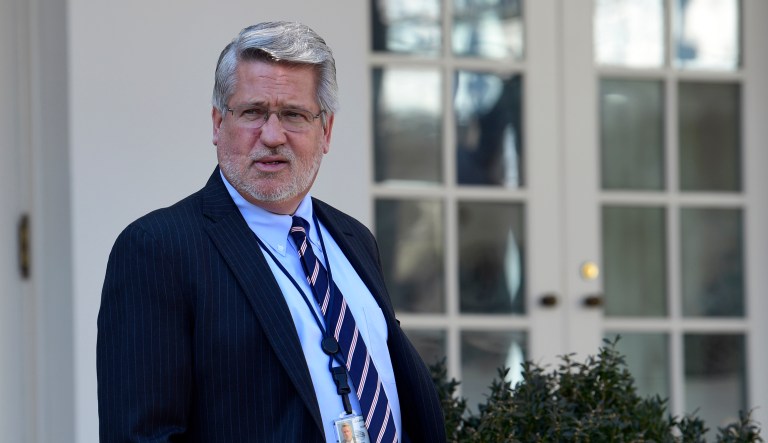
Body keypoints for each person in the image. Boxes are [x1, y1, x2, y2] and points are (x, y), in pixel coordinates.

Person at [97, 21, 446, 443]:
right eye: (253, 112)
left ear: (327, 131)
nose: (272, 135)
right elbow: (142, 436)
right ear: (216, 123)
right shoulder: (157, 249)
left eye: (294, 115)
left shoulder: (354, 239)